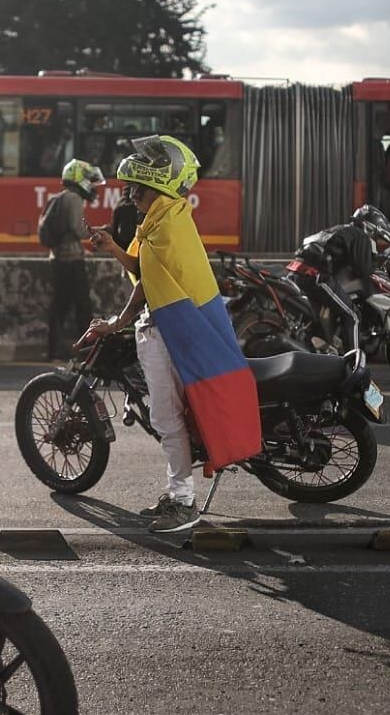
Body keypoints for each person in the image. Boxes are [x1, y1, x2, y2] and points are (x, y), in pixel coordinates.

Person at [81, 136, 261, 534]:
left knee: (166, 416)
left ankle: (183, 503)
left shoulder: (166, 225)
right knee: (170, 416)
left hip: (168, 332)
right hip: (167, 329)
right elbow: (143, 266)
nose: (129, 195)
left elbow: (146, 282)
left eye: (135, 189)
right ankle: (177, 492)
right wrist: (112, 245)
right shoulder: (165, 218)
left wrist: (117, 323)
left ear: (156, 184)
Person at [43, 159, 105, 361]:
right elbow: (77, 229)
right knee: (83, 307)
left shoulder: (61, 197)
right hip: (71, 261)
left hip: (59, 258)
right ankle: (87, 351)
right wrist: (98, 232)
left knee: (59, 306)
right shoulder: (74, 199)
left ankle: (55, 351)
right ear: (79, 179)